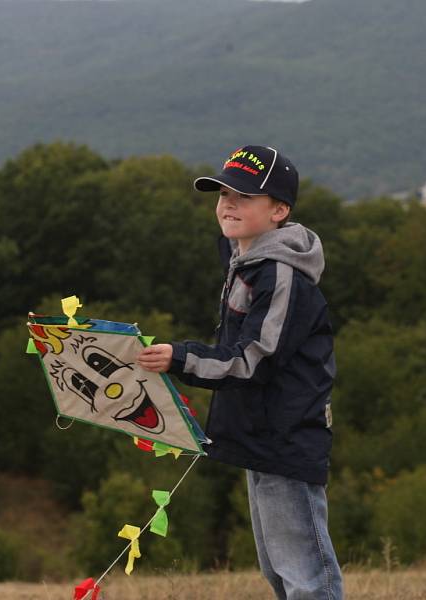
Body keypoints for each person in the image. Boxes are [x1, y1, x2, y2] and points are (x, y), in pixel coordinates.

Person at [137, 145, 343, 600]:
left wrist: (180, 358)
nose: (228, 203)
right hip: (259, 434)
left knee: (306, 574)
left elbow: (253, 359)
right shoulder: (246, 262)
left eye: (245, 196)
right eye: (223, 192)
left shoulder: (281, 275)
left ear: (279, 211)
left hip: (286, 436)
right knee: (280, 571)